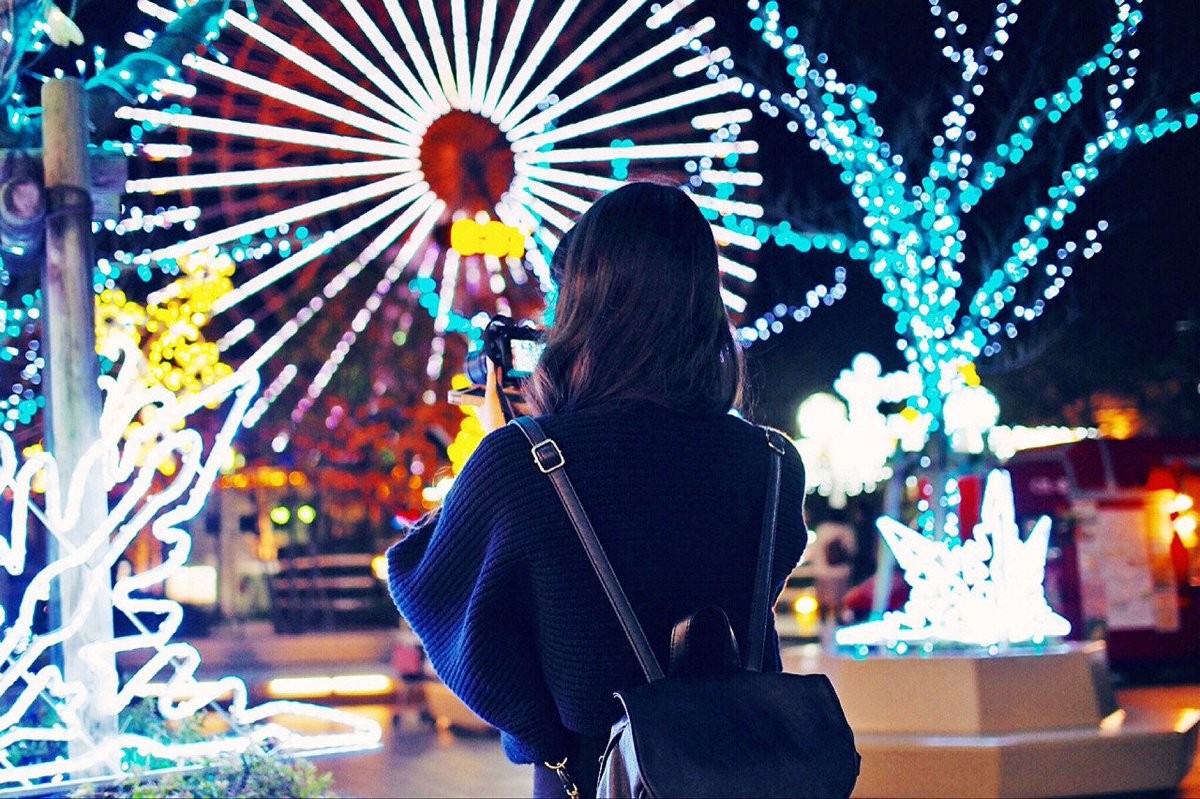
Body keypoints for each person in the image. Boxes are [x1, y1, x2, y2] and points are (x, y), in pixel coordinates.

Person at [386, 182, 809, 799]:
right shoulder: (772, 462)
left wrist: (547, 743)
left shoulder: (524, 463)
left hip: (595, 774)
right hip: (743, 771)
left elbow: (433, 592)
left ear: (584, 309)